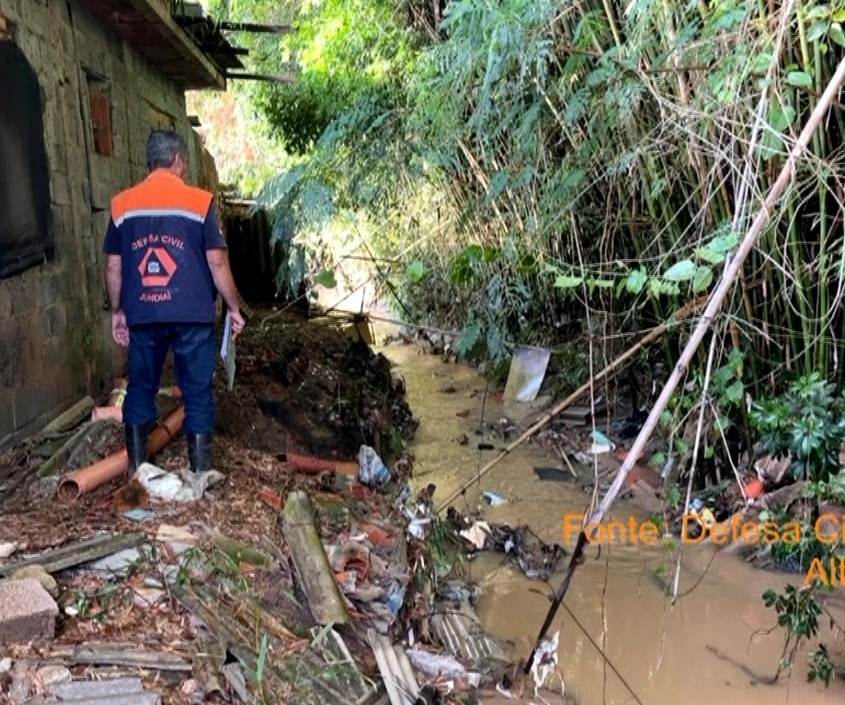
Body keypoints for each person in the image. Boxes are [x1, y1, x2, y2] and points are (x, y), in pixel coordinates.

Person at [103, 129, 245, 478]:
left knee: (140, 387)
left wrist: (117, 310)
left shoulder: (122, 205)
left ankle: (139, 470)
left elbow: (113, 265)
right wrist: (234, 307)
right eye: (183, 163)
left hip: (144, 313)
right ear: (178, 160)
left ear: (150, 162)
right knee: (197, 390)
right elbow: (217, 262)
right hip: (192, 314)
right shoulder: (199, 202)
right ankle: (200, 473)